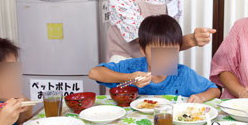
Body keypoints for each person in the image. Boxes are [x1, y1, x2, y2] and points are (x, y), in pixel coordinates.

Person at [90, 15, 221, 103]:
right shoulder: (133, 67)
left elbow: (215, 90)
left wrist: (200, 97)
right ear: (142, 49)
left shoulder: (183, 75)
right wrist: (128, 78)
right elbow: (94, 73)